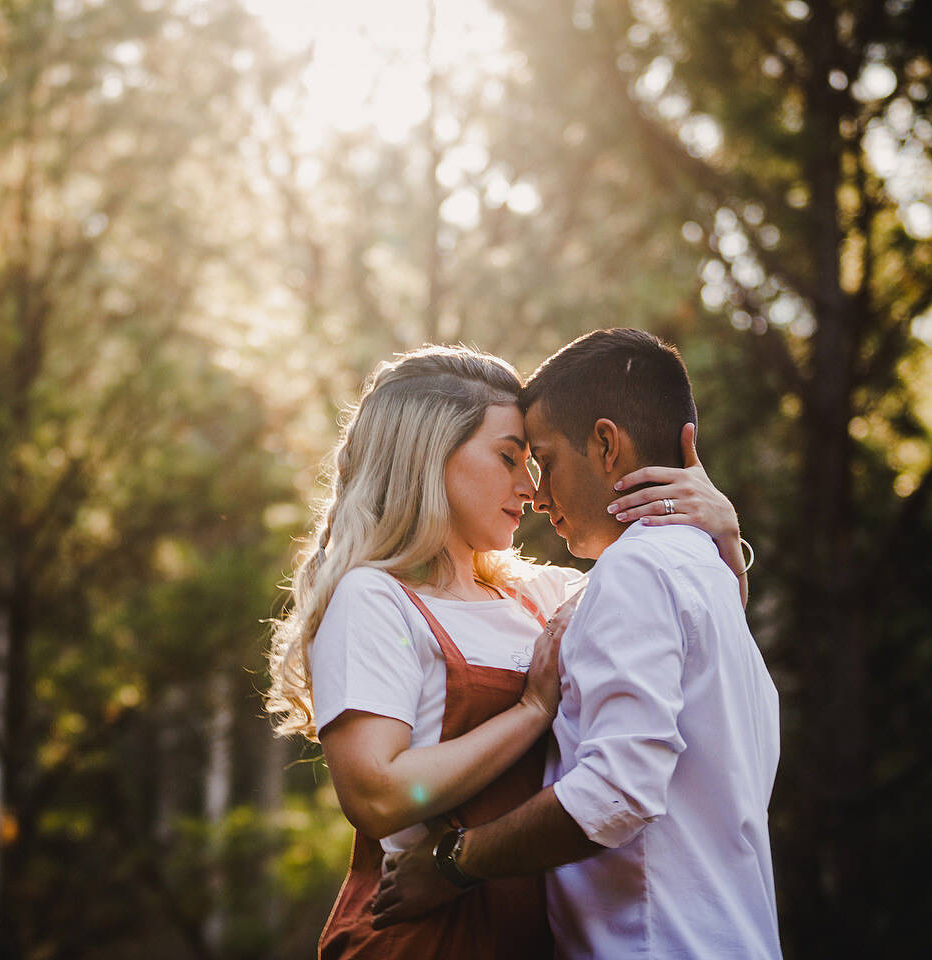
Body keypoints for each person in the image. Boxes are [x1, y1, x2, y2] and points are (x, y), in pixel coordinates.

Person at [264, 343, 751, 957]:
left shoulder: (540, 594)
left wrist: (725, 536)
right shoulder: (374, 598)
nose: (532, 486)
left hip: (531, 939)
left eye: (533, 460)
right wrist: (530, 711)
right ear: (428, 453)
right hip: (429, 935)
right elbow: (378, 794)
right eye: (508, 458)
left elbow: (690, 627)